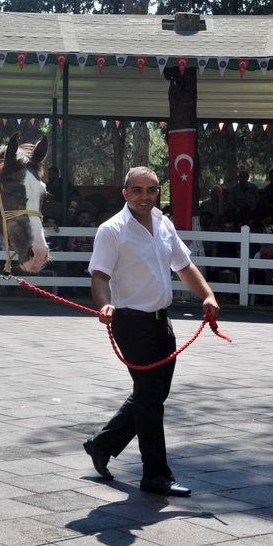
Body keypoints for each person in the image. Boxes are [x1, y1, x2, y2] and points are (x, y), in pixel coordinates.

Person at [82, 166, 219, 497]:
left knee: (152, 394)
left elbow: (184, 266)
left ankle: (102, 444)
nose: (145, 196)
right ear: (125, 193)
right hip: (131, 321)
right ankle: (155, 474)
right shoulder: (112, 230)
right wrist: (105, 305)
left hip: (162, 320)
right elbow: (99, 276)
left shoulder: (163, 222)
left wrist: (208, 295)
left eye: (152, 190)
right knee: (150, 399)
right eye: (138, 190)